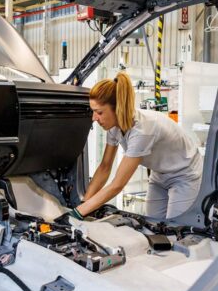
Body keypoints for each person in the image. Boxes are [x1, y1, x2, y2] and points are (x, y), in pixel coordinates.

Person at [68, 71, 203, 220]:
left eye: (99, 112)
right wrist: (84, 203)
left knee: (175, 228)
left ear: (117, 108)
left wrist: (78, 213)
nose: (94, 118)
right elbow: (105, 166)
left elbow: (117, 184)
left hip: (184, 173)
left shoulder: (142, 131)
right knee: (153, 225)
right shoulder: (114, 127)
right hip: (159, 174)